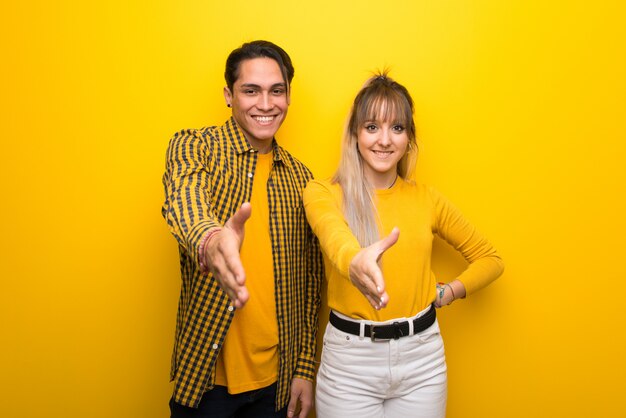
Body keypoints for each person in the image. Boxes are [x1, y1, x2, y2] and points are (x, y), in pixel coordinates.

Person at [303, 72, 504, 418]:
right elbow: (331, 231)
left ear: (409, 138)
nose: (384, 140)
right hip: (350, 364)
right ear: (354, 133)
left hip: (422, 359)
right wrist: (354, 260)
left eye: (397, 128)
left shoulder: (426, 199)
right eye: (371, 127)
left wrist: (448, 292)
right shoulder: (323, 193)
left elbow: (491, 259)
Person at [162, 40, 323, 418]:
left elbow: (310, 282)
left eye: (276, 91)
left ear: (288, 96)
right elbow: (186, 197)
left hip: (277, 388)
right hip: (206, 384)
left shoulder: (302, 179)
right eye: (250, 90)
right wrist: (212, 239)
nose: (265, 104)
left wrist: (304, 368)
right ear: (228, 95)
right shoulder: (195, 146)